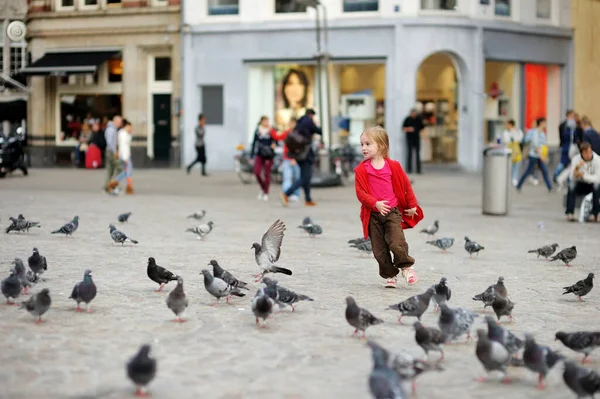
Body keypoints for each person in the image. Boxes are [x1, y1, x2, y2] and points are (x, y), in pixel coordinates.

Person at [354, 125, 423, 289]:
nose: (364, 148)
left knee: (396, 242)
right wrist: (374, 203)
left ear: (382, 146)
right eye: (362, 144)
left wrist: (412, 205)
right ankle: (390, 275)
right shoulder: (362, 170)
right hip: (373, 216)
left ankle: (406, 267)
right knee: (379, 251)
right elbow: (360, 193)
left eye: (368, 144)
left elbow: (406, 186)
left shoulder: (393, 166)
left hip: (392, 212)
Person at [280, 109, 321, 207]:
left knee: (305, 176)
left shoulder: (300, 122)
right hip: (305, 154)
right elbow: (319, 131)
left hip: (298, 154)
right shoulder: (308, 121)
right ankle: (286, 194)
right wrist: (315, 124)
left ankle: (308, 199)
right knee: (305, 177)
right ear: (311, 115)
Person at [559, 142, 600, 222]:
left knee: (596, 186)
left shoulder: (597, 160)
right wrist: (576, 172)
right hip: (581, 184)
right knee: (571, 185)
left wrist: (583, 176)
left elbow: (598, 178)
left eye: (590, 152)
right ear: (582, 153)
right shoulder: (576, 160)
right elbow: (572, 178)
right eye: (586, 153)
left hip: (592, 185)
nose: (588, 155)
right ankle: (570, 213)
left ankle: (595, 213)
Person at [516, 117, 552, 192]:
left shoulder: (542, 133)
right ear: (541, 123)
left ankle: (550, 187)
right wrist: (541, 155)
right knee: (528, 171)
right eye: (544, 123)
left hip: (539, 155)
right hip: (534, 155)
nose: (545, 125)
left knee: (544, 171)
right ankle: (519, 185)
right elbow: (535, 145)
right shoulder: (535, 132)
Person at [273, 117, 301, 202]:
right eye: (290, 123)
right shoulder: (287, 133)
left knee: (297, 178)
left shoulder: (299, 134)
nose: (292, 125)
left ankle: (295, 195)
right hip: (287, 158)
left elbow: (299, 148)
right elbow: (277, 137)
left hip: (296, 159)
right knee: (287, 178)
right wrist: (271, 130)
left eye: (293, 123)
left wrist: (294, 158)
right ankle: (286, 194)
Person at [250, 116, 277, 201]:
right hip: (259, 154)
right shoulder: (258, 131)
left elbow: (276, 139)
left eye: (267, 121)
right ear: (261, 122)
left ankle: (266, 192)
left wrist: (274, 144)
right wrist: (251, 155)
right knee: (256, 172)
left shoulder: (271, 130)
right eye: (265, 121)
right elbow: (254, 143)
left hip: (268, 154)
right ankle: (262, 188)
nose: (266, 123)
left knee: (267, 174)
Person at [554, 110, 582, 182]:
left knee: (564, 163)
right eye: (572, 116)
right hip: (570, 147)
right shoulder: (570, 126)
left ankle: (559, 175)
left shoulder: (563, 125)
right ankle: (563, 177)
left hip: (566, 147)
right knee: (569, 164)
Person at [110, 119, 134, 195]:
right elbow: (124, 147)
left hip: (124, 155)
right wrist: (125, 157)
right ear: (126, 126)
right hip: (125, 155)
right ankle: (115, 182)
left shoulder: (123, 133)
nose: (131, 128)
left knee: (127, 171)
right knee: (128, 171)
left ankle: (128, 187)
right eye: (129, 127)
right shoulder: (123, 134)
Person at [501, 119, 524, 186]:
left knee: (516, 166)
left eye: (507, 124)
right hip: (508, 151)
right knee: (509, 166)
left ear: (511, 124)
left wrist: (514, 134)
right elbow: (505, 140)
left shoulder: (517, 131)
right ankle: (509, 179)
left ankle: (514, 179)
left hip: (516, 151)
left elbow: (520, 138)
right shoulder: (506, 132)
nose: (506, 126)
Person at [402, 108, 425, 174]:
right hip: (409, 139)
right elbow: (403, 128)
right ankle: (409, 169)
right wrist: (409, 129)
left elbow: (422, 128)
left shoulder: (418, 119)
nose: (413, 115)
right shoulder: (407, 119)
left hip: (417, 138)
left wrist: (424, 137)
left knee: (418, 154)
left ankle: (418, 170)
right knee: (409, 154)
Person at [104, 115, 123, 193]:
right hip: (111, 152)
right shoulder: (111, 129)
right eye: (120, 122)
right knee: (120, 168)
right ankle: (113, 185)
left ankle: (107, 186)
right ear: (116, 121)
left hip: (110, 151)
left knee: (110, 169)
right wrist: (115, 152)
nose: (120, 124)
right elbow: (110, 142)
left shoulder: (112, 129)